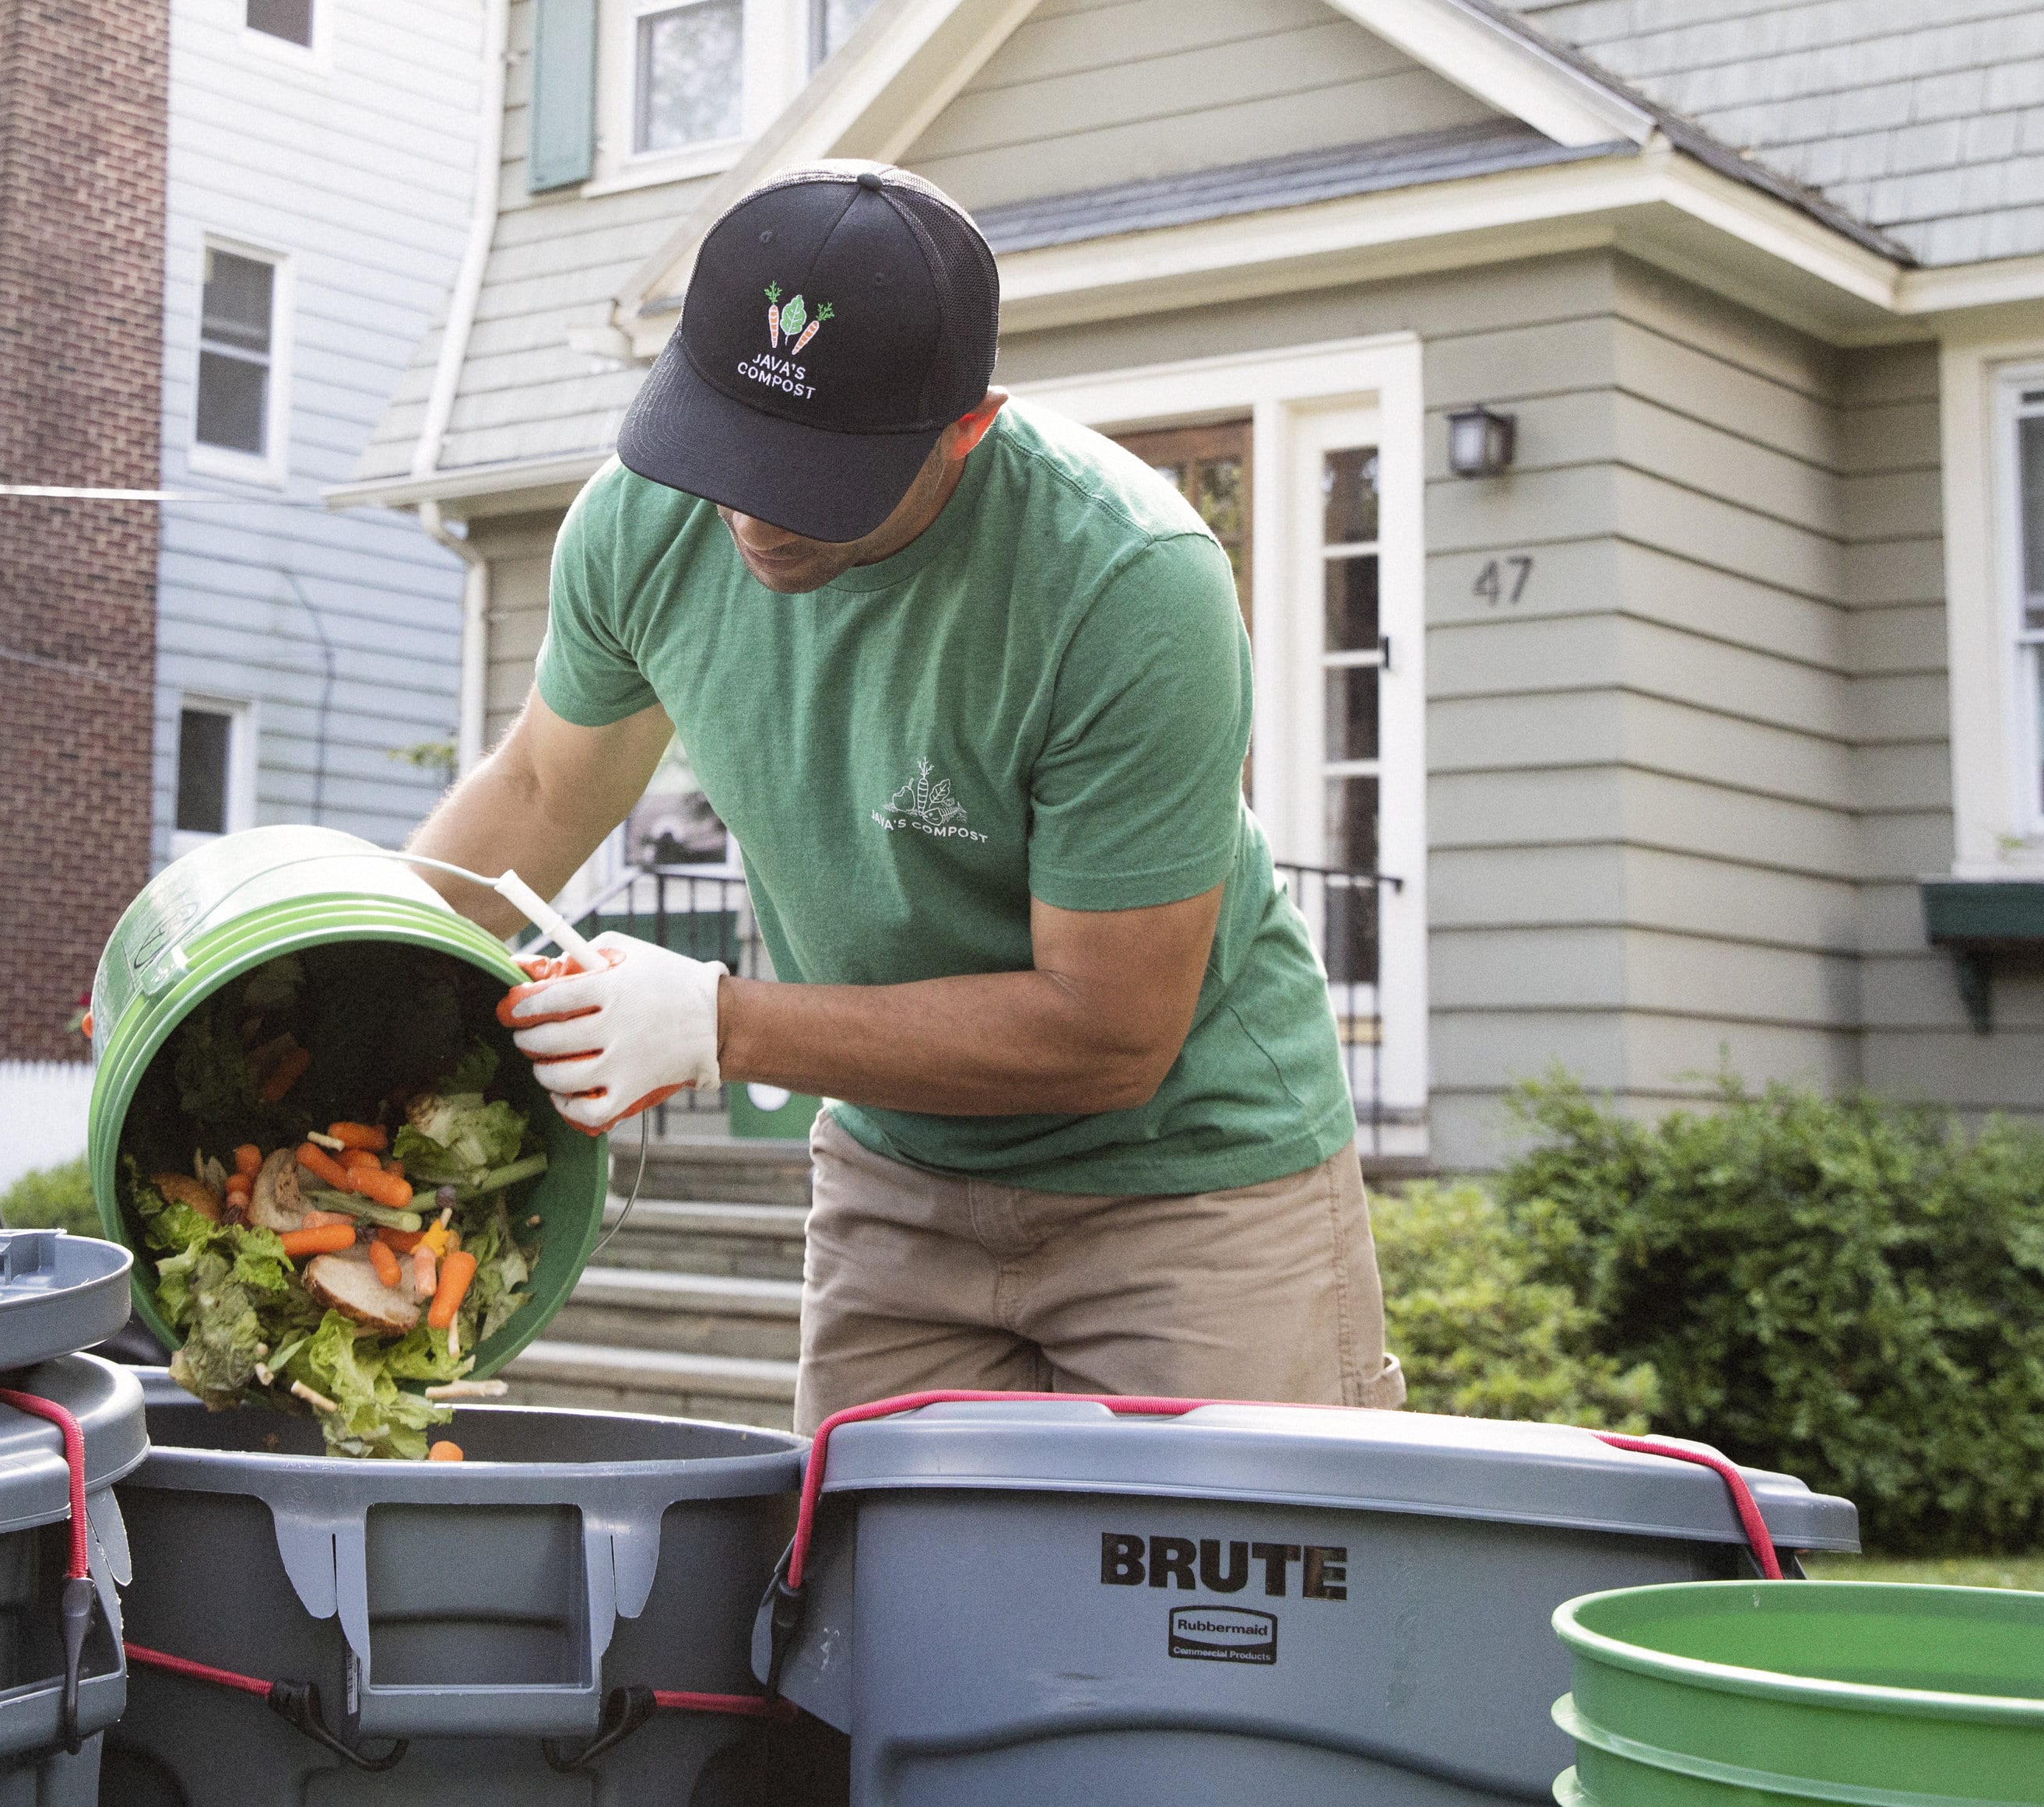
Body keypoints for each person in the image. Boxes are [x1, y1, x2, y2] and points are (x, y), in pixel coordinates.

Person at [407, 162, 1405, 1431]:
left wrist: (719, 1022)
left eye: (813, 473)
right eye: (729, 447)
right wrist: (337, 964)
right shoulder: (645, 525)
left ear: (964, 427)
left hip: (1191, 1184)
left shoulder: (1124, 582)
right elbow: (545, 785)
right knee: (875, 1607)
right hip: (897, 1176)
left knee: (1199, 1615)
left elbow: (1108, 1029)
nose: (754, 511)